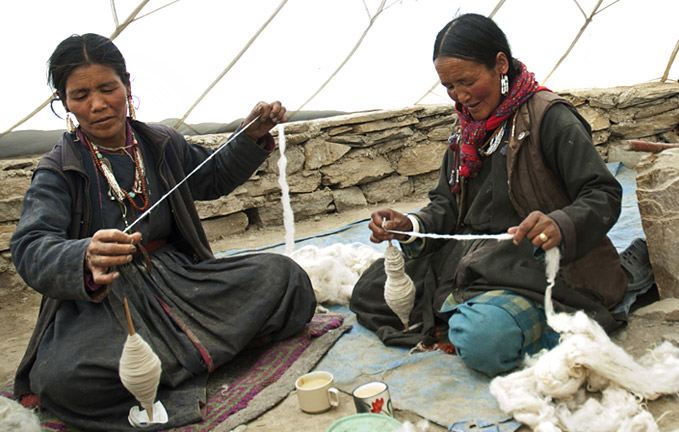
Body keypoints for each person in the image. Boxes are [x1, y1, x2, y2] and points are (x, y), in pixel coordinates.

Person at [10, 33, 316, 430]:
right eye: (80, 94)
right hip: (107, 299)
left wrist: (250, 134)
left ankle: (172, 367)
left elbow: (213, 177)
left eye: (107, 88)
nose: (97, 104)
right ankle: (212, 352)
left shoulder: (160, 143)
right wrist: (83, 255)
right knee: (64, 381)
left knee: (286, 278)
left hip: (181, 279)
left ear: (127, 86)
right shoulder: (58, 169)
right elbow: (30, 245)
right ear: (64, 103)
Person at [350, 13, 628, 377]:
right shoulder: (465, 130)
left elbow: (603, 193)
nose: (460, 96)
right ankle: (471, 310)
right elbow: (446, 206)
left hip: (536, 264)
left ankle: (526, 321)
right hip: (476, 257)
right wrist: (411, 226)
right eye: (449, 86)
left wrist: (560, 223)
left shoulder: (551, 118)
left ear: (499, 65)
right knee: (371, 291)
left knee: (484, 340)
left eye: (467, 81)